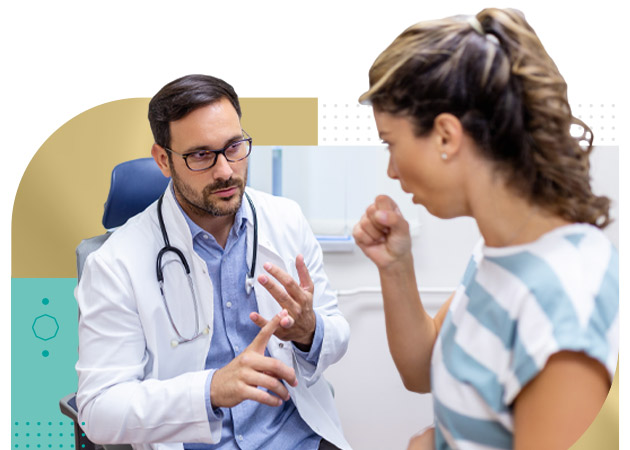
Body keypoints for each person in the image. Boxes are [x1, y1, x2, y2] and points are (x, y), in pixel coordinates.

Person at [353, 8, 618, 450]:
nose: (391, 171)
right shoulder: (500, 251)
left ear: (446, 136)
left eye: (391, 143)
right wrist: (395, 266)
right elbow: (423, 371)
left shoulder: (564, 301)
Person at [75, 74, 351, 450]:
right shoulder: (114, 263)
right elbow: (99, 411)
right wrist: (210, 390)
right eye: (201, 155)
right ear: (163, 160)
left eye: (234, 146)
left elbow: (335, 335)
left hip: (294, 439)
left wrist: (309, 331)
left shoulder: (286, 220)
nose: (225, 170)